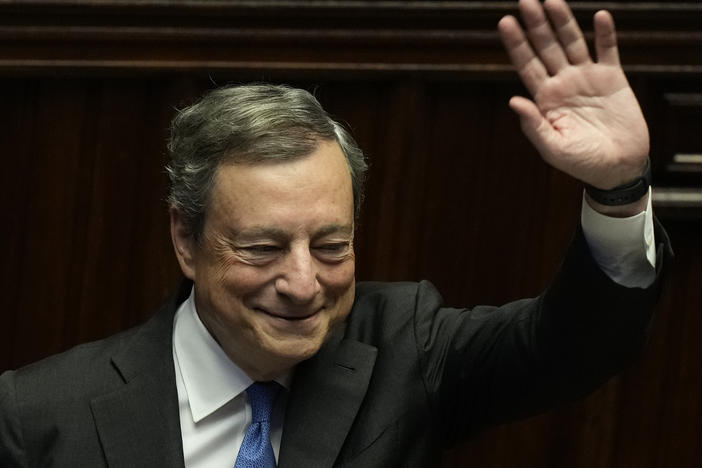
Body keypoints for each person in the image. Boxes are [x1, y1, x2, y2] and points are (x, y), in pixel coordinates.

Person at [0, 0, 672, 466]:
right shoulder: (38, 416)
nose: (302, 284)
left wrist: (619, 190)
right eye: (262, 248)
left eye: (331, 247)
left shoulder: (404, 347)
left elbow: (576, 346)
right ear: (185, 238)